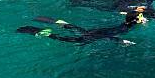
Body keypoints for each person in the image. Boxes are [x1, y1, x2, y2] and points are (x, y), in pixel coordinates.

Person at [17, 11, 146, 45]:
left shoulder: (126, 24)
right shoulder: (125, 29)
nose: (142, 18)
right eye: (140, 17)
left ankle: (54, 22)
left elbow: (128, 18)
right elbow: (109, 36)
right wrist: (121, 41)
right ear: (135, 20)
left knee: (74, 28)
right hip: (94, 36)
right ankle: (35, 31)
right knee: (63, 39)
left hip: (95, 31)